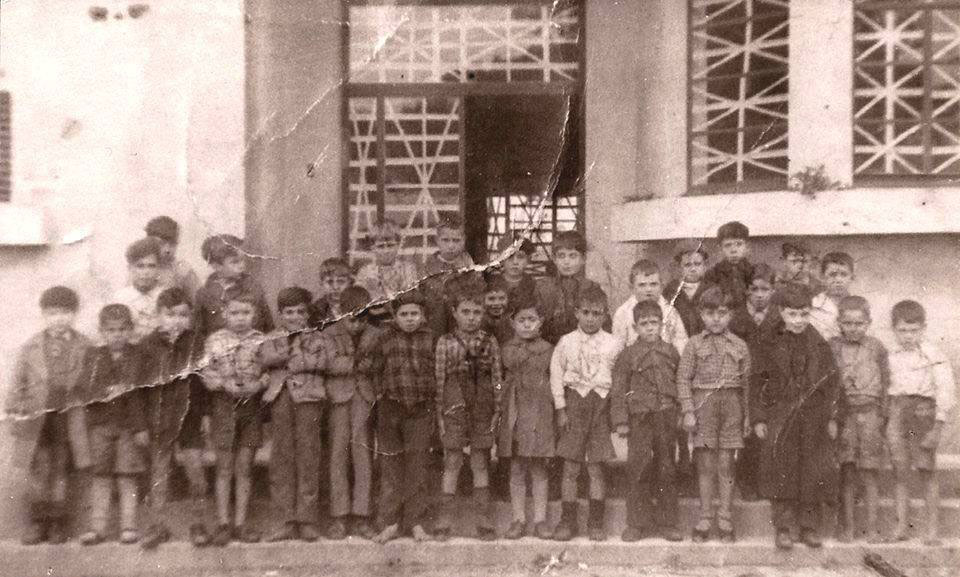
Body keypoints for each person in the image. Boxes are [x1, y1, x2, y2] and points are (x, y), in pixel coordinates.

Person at [751, 283, 840, 550]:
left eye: (803, 314)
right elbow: (757, 382)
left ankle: (808, 526)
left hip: (813, 418)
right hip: (780, 415)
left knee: (811, 471)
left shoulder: (819, 344)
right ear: (781, 312)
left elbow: (832, 383)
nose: (798, 321)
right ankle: (783, 527)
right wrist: (758, 418)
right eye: (792, 314)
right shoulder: (768, 343)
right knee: (782, 470)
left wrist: (833, 417)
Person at [7, 286, 92, 545]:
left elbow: (91, 382)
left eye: (65, 312)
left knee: (60, 470)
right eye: (53, 313)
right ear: (44, 315)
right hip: (37, 419)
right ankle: (37, 522)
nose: (59, 318)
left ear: (74, 315)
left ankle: (56, 523)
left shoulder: (85, 346)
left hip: (66, 418)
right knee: (38, 471)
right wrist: (15, 411)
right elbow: (17, 384)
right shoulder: (31, 347)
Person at [358, 290, 436, 544]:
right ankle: (390, 522)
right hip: (391, 409)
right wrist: (379, 395)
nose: (410, 319)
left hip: (421, 409)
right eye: (404, 314)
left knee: (418, 467)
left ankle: (415, 522)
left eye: (415, 314)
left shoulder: (430, 338)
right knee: (391, 468)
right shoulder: (384, 338)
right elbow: (368, 367)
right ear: (395, 316)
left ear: (423, 316)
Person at [676, 286, 750, 543]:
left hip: (731, 406)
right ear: (700, 314)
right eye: (709, 313)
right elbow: (683, 379)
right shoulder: (693, 345)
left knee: (726, 464)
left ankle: (726, 518)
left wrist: (747, 417)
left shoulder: (740, 345)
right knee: (706, 464)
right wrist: (687, 410)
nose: (716, 318)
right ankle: (706, 517)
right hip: (703, 405)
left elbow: (747, 385)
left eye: (722, 312)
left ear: (730, 315)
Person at [139, 288, 210, 549]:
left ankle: (198, 524)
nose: (176, 320)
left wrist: (205, 416)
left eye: (182, 315)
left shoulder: (196, 342)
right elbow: (138, 388)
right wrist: (140, 425)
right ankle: (158, 526)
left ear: (189, 317)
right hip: (159, 420)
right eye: (170, 315)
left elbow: (202, 384)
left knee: (196, 473)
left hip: (189, 418)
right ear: (158, 316)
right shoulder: (147, 345)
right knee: (159, 476)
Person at [550, 284, 622, 542]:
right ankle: (567, 521)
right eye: (586, 312)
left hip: (600, 407)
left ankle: (595, 522)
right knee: (570, 467)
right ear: (576, 313)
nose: (591, 318)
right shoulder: (566, 342)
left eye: (597, 313)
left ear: (604, 315)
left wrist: (616, 414)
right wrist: (561, 408)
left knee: (595, 468)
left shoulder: (614, 344)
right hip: (574, 405)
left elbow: (619, 380)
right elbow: (557, 375)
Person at [76, 304, 150, 545]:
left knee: (127, 475)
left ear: (130, 330)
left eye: (122, 329)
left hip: (129, 426)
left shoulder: (138, 354)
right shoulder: (93, 356)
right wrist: (104, 391)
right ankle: (98, 528)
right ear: (102, 332)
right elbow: (83, 388)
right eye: (111, 330)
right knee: (101, 475)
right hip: (100, 425)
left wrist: (141, 428)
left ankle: (128, 526)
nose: (117, 335)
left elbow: (142, 392)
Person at [434, 285, 503, 541]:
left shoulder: (490, 341)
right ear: (454, 312)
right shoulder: (445, 342)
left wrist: (497, 407)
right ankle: (444, 519)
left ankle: (483, 519)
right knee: (452, 460)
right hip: (454, 404)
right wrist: (440, 413)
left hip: (482, 404)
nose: (471, 317)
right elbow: (439, 379)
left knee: (480, 462)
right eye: (466, 311)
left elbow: (497, 377)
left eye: (477, 312)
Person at [611, 300, 683, 542]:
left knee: (666, 468)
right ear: (635, 326)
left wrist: (682, 412)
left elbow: (680, 383)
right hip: (640, 418)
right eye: (644, 324)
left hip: (666, 416)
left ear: (662, 324)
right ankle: (636, 523)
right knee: (638, 468)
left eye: (654, 323)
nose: (650, 328)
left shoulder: (671, 351)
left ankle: (667, 522)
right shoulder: (628, 355)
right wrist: (621, 420)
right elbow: (619, 388)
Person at [886, 300, 956, 545]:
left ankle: (932, 531)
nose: (907, 336)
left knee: (927, 471)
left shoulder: (933, 355)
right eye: (902, 330)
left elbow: (946, 391)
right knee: (900, 472)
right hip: (897, 411)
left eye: (913, 330)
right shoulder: (890, 355)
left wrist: (937, 426)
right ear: (894, 329)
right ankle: (901, 527)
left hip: (923, 412)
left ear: (923, 329)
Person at [201, 293, 268, 546]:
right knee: (224, 467)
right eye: (235, 313)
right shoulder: (214, 341)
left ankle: (240, 523)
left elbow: (270, 373)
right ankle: (223, 523)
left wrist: (258, 385)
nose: (240, 319)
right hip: (223, 407)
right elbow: (205, 372)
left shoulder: (262, 340)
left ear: (254, 314)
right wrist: (223, 384)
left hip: (250, 408)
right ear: (225, 314)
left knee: (244, 467)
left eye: (246, 313)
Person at [261, 287, 325, 543]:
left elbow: (319, 363)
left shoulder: (317, 336)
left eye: (301, 312)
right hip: (280, 397)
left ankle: (307, 519)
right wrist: (291, 354)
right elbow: (265, 357)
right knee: (282, 458)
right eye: (289, 313)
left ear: (308, 314)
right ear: (280, 314)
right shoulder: (271, 337)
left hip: (309, 397)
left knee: (308, 455)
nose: (295, 317)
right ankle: (284, 519)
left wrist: (289, 355)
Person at [829, 295, 889, 543]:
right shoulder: (832, 347)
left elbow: (886, 381)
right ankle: (848, 527)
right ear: (839, 323)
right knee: (847, 470)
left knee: (870, 472)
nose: (853, 328)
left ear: (868, 323)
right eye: (848, 323)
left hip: (871, 413)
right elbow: (829, 385)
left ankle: (872, 528)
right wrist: (832, 417)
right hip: (845, 415)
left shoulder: (876, 347)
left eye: (859, 323)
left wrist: (883, 415)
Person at [321, 286, 378, 540]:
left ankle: (361, 514)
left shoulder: (376, 334)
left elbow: (376, 363)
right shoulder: (329, 333)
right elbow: (328, 363)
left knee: (363, 455)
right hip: (339, 398)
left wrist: (360, 364)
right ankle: (339, 515)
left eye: (363, 318)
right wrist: (357, 363)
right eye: (352, 318)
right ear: (340, 312)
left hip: (364, 397)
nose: (357, 325)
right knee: (338, 455)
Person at [497, 296, 555, 540]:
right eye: (521, 320)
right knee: (517, 467)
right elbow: (506, 370)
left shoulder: (549, 350)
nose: (527, 325)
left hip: (540, 411)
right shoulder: (507, 349)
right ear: (512, 323)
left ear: (541, 322)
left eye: (532, 319)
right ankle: (518, 519)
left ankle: (540, 520)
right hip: (515, 412)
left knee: (539, 468)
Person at [728, 263, 780, 501]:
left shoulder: (779, 317)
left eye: (765, 289)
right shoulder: (736, 317)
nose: (760, 294)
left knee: (766, 432)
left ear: (773, 290)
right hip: (743, 381)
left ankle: (765, 480)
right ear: (747, 290)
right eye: (755, 289)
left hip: (770, 383)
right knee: (745, 432)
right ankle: (745, 480)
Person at [194, 234, 274, 338]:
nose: (242, 266)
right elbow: (198, 332)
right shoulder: (204, 294)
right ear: (216, 266)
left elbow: (268, 326)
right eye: (235, 262)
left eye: (242, 260)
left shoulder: (253, 288)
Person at [536, 230, 607, 345]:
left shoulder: (591, 287)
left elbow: (603, 323)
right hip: (549, 346)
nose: (566, 262)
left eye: (573, 256)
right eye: (561, 256)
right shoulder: (542, 287)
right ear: (554, 259)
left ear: (583, 259)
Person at [612, 258, 688, 354]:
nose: (648, 290)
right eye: (642, 285)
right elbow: (618, 348)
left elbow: (681, 343)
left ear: (661, 285)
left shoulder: (670, 311)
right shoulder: (623, 313)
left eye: (653, 284)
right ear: (632, 287)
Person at [355, 218, 421, 325]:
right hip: (372, 323)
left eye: (390, 245)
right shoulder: (365, 272)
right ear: (372, 247)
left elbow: (408, 299)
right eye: (380, 246)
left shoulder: (407, 269)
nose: (386, 251)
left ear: (399, 244)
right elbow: (361, 303)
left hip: (402, 323)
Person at [114, 237, 165, 343]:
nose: (146, 272)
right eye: (140, 266)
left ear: (159, 269)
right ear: (130, 268)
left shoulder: (166, 295)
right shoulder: (121, 298)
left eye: (151, 266)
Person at [145, 215, 201, 298]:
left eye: (172, 244)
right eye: (161, 243)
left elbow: (199, 302)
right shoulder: (140, 268)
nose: (167, 250)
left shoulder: (183, 270)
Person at [662, 238, 708, 337]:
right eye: (687, 265)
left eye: (697, 264)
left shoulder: (711, 289)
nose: (693, 269)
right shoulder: (671, 291)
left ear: (705, 266)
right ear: (679, 268)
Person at [703, 221, 754, 307]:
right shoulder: (713, 274)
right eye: (728, 245)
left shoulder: (754, 271)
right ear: (720, 249)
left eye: (739, 244)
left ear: (747, 247)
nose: (733, 250)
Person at [808, 251, 855, 341]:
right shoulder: (813, 306)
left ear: (852, 277)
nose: (838, 280)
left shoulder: (859, 305)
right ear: (822, 277)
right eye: (832, 275)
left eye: (844, 274)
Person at [494, 231, 537, 303]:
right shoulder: (492, 283)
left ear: (528, 260)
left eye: (520, 257)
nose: (515, 262)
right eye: (509, 256)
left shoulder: (534, 285)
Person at [311, 257, 353, 326]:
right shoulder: (315, 311)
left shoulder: (358, 306)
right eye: (330, 282)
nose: (335, 287)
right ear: (321, 283)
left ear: (349, 282)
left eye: (341, 281)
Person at [481, 273, 514, 346]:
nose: (496, 303)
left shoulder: (513, 323)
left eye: (501, 298)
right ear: (482, 300)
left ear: (508, 299)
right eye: (491, 299)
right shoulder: (479, 323)